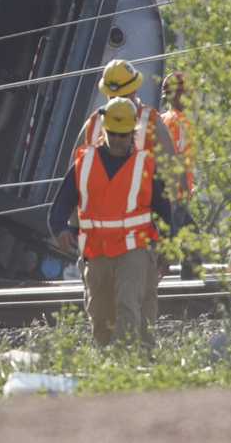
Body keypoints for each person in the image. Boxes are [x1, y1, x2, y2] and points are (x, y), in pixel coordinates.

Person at [49, 97, 181, 348]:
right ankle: (106, 361)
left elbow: (165, 212)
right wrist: (60, 230)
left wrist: (169, 248)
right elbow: (60, 205)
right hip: (96, 252)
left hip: (134, 249)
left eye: (123, 135)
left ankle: (127, 360)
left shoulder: (145, 165)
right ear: (105, 130)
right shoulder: (84, 162)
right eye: (113, 134)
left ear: (132, 132)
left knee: (127, 304)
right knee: (100, 314)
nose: (118, 140)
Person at [160, 72, 195, 198]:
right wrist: (186, 191)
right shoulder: (180, 121)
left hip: (163, 192)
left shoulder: (161, 119)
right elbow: (177, 159)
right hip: (177, 195)